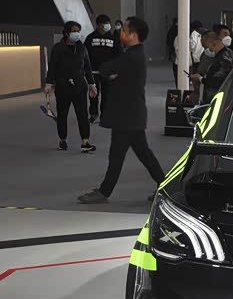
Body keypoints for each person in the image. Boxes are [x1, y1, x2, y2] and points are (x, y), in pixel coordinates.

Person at [78, 17, 165, 204]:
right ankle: (165, 187)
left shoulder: (131, 56)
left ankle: (104, 192)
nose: (121, 34)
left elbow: (106, 69)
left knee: (119, 156)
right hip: (131, 114)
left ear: (133, 35)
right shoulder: (135, 54)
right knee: (141, 153)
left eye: (124, 31)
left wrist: (111, 74)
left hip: (127, 115)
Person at [45, 21, 97, 152]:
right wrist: (49, 83)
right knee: (62, 114)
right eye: (74, 31)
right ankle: (62, 140)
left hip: (80, 85)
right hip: (63, 85)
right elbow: (52, 67)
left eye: (78, 31)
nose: (77, 33)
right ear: (67, 33)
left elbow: (88, 67)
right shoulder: (58, 48)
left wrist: (92, 84)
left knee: (82, 114)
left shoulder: (82, 48)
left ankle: (85, 142)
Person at [85, 14, 121, 123]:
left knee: (107, 94)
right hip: (93, 71)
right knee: (93, 94)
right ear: (99, 25)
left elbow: (118, 54)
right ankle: (93, 113)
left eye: (108, 23)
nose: (108, 26)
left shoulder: (113, 38)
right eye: (106, 24)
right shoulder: (90, 38)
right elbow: (85, 54)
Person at [191, 31, 233, 104]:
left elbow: (217, 81)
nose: (206, 50)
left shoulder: (223, 59)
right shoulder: (226, 54)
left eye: (206, 47)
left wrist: (200, 79)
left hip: (218, 100)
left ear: (214, 44)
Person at [172, 20, 204, 87]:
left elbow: (192, 46)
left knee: (183, 78)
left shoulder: (179, 38)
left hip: (188, 59)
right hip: (197, 58)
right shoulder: (203, 33)